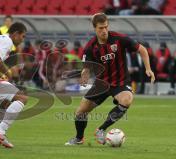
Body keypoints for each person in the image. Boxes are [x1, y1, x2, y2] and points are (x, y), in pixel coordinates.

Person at [65, 13, 155, 146]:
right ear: (95, 28)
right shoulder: (90, 47)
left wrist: (148, 68)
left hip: (121, 82)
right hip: (101, 84)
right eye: (101, 28)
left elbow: (142, 49)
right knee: (80, 112)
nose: (104, 31)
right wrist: (85, 74)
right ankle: (79, 138)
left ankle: (101, 129)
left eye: (106, 27)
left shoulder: (119, 38)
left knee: (127, 99)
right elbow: (87, 67)